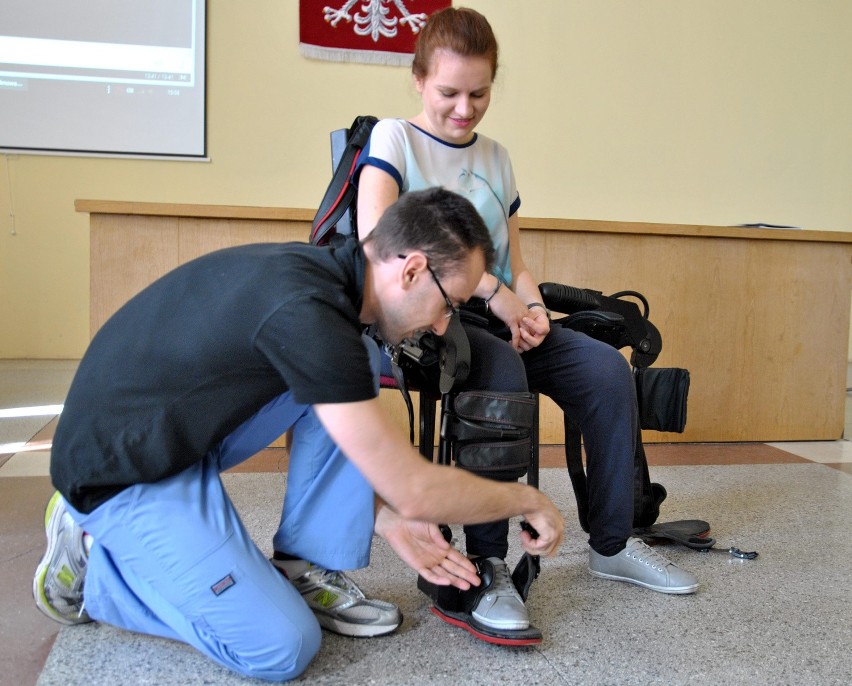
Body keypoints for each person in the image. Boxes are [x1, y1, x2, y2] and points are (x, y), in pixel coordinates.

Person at [33, 187, 565, 682]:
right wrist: (528, 498)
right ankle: (92, 557)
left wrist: (388, 517)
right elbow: (416, 488)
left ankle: (300, 565)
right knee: (282, 647)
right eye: (451, 305)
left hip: (171, 434)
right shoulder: (308, 313)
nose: (446, 325)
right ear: (412, 271)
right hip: (117, 473)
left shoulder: (325, 284)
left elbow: (382, 470)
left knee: (350, 366)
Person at [355, 7, 698, 640]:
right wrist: (489, 291)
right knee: (498, 367)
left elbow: (519, 265)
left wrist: (532, 308)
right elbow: (380, 246)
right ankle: (486, 561)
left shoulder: (496, 156)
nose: (464, 108)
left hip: (498, 313)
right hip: (428, 320)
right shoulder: (393, 141)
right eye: (448, 92)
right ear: (417, 79)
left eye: (479, 93)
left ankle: (613, 542)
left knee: (602, 370)